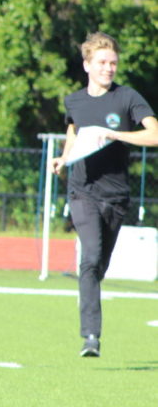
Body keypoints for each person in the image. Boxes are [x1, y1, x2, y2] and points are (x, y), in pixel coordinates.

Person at [49, 31, 158, 358]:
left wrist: (115, 134)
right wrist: (64, 158)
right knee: (90, 259)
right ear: (87, 65)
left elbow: (153, 134)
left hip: (116, 196)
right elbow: (73, 133)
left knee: (99, 265)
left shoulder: (127, 98)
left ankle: (91, 302)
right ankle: (91, 336)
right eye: (102, 62)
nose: (108, 68)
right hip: (82, 192)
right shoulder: (74, 101)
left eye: (112, 63)